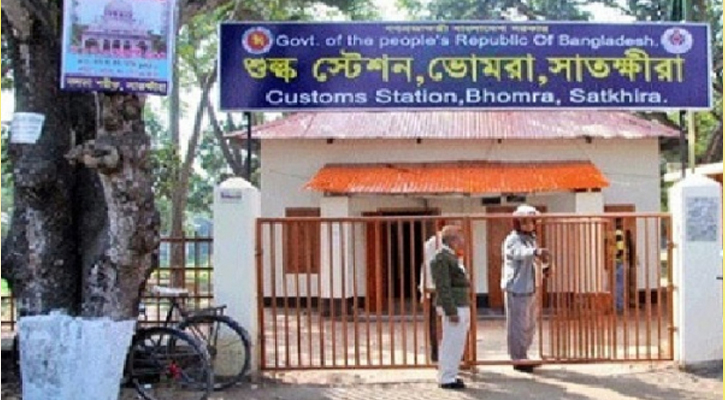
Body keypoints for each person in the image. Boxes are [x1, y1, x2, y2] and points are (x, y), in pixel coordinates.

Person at [501, 204, 550, 373]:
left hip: (531, 286)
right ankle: (518, 358)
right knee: (518, 326)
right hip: (517, 288)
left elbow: (534, 259)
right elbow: (520, 253)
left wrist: (545, 267)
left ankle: (524, 355)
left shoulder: (532, 239)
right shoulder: (513, 239)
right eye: (524, 221)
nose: (529, 225)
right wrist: (536, 252)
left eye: (531, 221)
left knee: (529, 325)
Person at [431, 225, 470, 389]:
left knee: (457, 342)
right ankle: (446, 377)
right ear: (452, 240)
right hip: (455, 304)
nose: (462, 241)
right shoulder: (442, 258)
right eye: (459, 237)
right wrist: (451, 310)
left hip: (460, 303)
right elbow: (443, 287)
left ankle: (451, 374)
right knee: (451, 342)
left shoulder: (451, 256)